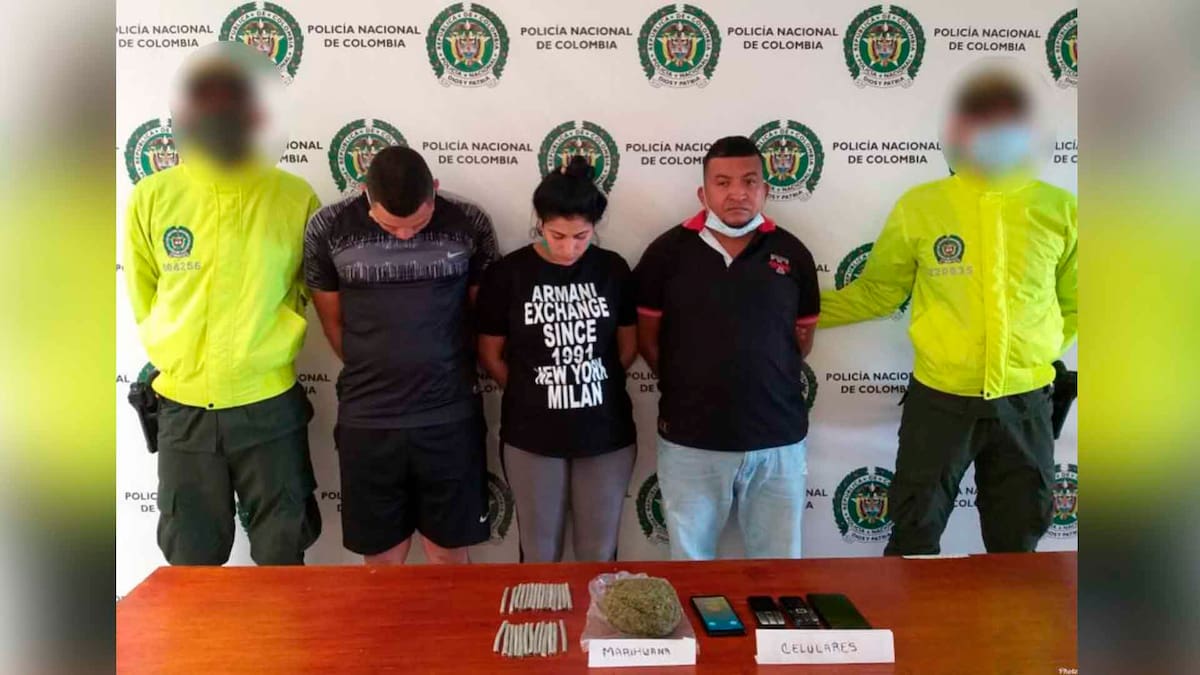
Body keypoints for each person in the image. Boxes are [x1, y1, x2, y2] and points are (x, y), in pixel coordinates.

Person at [818, 66, 1078, 555]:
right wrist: (786, 309)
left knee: (1019, 543)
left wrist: (1031, 355)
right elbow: (878, 293)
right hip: (939, 402)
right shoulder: (922, 206)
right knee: (914, 534)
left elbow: (1077, 304)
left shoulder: (1061, 209)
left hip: (1026, 406)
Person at [123, 45, 322, 565]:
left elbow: (310, 290)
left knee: (283, 551)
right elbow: (144, 297)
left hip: (269, 406)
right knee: (191, 559)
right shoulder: (152, 196)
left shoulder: (294, 196)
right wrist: (178, 357)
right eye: (204, 103)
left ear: (255, 114)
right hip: (183, 409)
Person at [304, 145, 499, 565]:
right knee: (382, 564)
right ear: (365, 195)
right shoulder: (328, 227)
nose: (406, 235)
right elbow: (333, 324)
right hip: (369, 419)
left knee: (449, 559)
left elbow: (480, 316)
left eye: (419, 224)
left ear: (436, 190)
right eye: (391, 226)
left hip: (450, 417)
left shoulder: (469, 221)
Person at [633, 136, 820, 560]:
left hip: (777, 440)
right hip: (691, 440)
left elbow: (801, 340)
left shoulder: (792, 253)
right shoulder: (666, 253)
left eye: (749, 181)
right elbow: (648, 340)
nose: (737, 192)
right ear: (703, 193)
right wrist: (691, 380)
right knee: (691, 565)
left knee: (779, 570)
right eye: (723, 182)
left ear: (765, 190)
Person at [476, 156, 638, 562]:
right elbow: (490, 353)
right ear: (540, 223)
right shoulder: (508, 274)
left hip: (605, 431)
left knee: (598, 552)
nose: (569, 248)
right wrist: (529, 390)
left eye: (581, 236)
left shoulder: (612, 269)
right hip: (531, 433)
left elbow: (627, 346)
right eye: (557, 235)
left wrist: (590, 384)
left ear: (595, 226)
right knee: (539, 551)